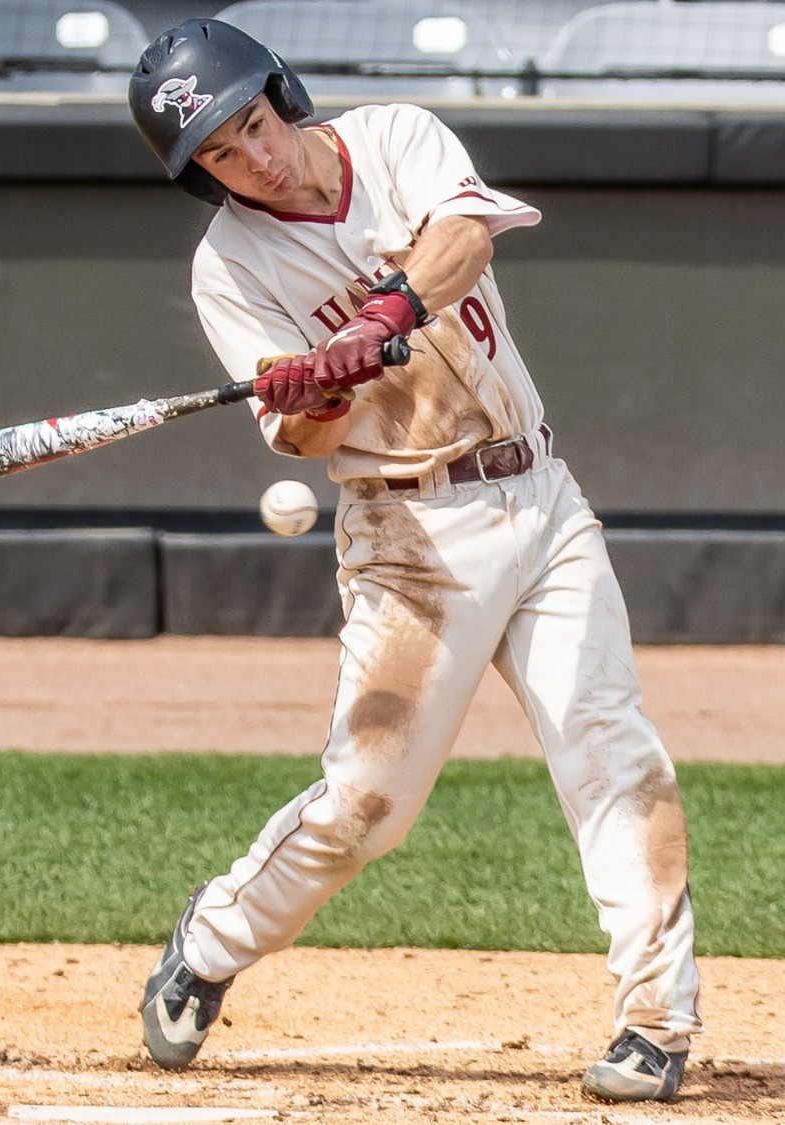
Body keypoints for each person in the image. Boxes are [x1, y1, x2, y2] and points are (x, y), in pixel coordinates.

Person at [125, 20, 699, 1104]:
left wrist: (384, 311)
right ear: (198, 173)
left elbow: (463, 240)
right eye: (219, 152)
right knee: (366, 808)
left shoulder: (390, 138)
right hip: (409, 534)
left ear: (278, 96)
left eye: (252, 124)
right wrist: (313, 392)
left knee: (612, 753)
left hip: (539, 492)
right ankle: (210, 941)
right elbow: (294, 441)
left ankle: (655, 1022)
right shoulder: (228, 269)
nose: (253, 158)